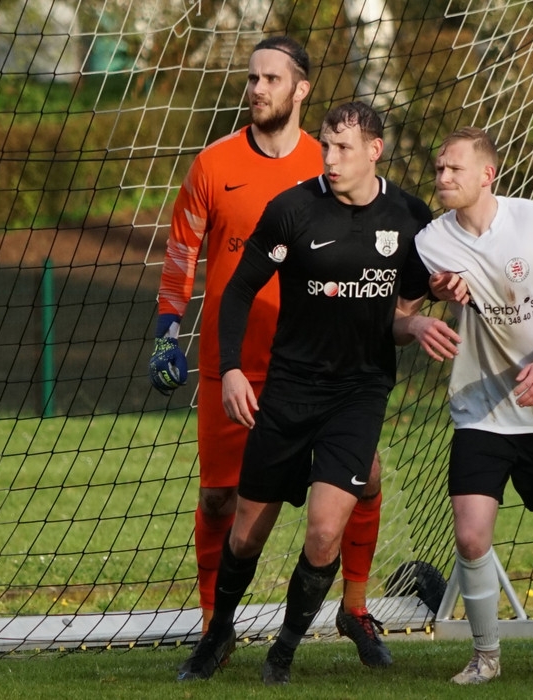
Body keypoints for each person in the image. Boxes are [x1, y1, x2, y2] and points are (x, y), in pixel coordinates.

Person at [177, 101, 459, 686]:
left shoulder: (410, 217)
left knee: (326, 530)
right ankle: (218, 633)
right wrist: (232, 370)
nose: (329, 158)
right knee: (246, 533)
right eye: (326, 145)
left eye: (343, 148)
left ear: (374, 151)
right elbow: (237, 292)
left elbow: (400, 314)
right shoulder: (293, 209)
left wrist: (423, 316)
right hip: (289, 389)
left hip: (359, 393)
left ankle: (282, 653)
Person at [147, 37, 392, 667]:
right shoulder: (212, 164)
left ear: (301, 89)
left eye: (271, 79)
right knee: (220, 500)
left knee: (365, 479)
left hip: (316, 365)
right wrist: (168, 328)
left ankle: (355, 607)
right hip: (230, 363)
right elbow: (182, 250)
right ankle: (215, 629)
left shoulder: (330, 162)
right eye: (252, 78)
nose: (257, 89)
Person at [395, 127, 533, 684]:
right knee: (469, 536)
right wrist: (418, 323)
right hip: (480, 409)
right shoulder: (429, 244)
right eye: (439, 168)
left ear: (487, 175)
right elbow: (396, 319)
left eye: (454, 169)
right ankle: (485, 655)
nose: (442, 177)